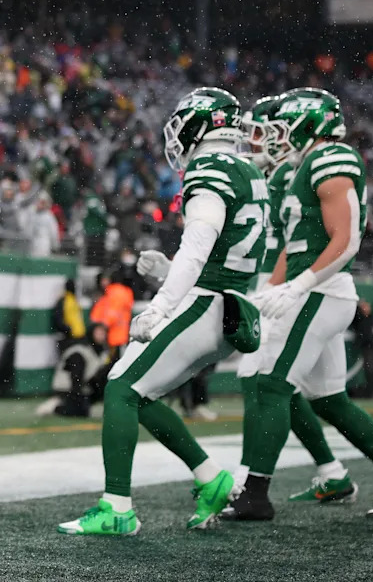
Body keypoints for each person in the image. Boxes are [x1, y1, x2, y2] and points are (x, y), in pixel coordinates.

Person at [59, 87, 267, 535]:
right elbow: (227, 255)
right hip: (230, 306)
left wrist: (160, 305)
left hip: (205, 304)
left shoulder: (209, 168)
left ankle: (117, 509)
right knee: (141, 394)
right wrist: (169, 271)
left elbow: (199, 244)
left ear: (202, 125)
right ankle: (211, 478)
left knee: (120, 387)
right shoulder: (248, 170)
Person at [228, 87, 373, 521]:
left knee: (271, 384)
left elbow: (346, 240)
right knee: (329, 400)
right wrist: (269, 292)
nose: (276, 136)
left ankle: (254, 493)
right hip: (312, 289)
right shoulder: (306, 164)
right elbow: (293, 246)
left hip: (321, 292)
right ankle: (324, 474)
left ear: (308, 124)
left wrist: (298, 286)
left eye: (282, 127)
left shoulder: (331, 157)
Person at [36, 323, 111, 418]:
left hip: (85, 386)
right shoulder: (79, 351)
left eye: (103, 333)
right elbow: (76, 377)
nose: (102, 336)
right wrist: (78, 399)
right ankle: (56, 405)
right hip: (67, 388)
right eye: (98, 333)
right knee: (78, 412)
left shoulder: (103, 352)